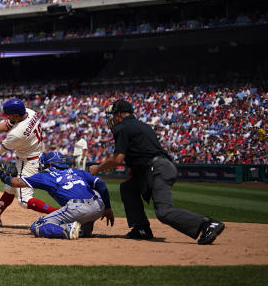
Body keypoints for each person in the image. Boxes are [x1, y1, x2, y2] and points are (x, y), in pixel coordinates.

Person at [89, 99, 226, 245]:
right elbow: (142, 151)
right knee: (128, 188)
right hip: (158, 168)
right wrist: (135, 171)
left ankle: (207, 224)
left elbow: (117, 159)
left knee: (163, 212)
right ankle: (141, 228)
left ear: (120, 115)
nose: (112, 119)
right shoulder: (142, 126)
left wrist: (97, 168)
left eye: (113, 115)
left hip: (156, 169)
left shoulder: (122, 127)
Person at [0, 98, 58, 226]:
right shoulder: (30, 112)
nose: (7, 117)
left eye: (9, 115)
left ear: (15, 114)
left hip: (29, 163)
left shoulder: (17, 133)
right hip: (33, 156)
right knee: (10, 189)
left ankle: (62, 214)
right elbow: (6, 124)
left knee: (24, 201)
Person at [0, 151, 114, 239]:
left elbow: (16, 183)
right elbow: (101, 184)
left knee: (37, 226)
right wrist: (108, 207)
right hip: (99, 208)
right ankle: (85, 228)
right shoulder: (77, 171)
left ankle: (66, 230)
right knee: (93, 191)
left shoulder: (46, 175)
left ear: (49, 164)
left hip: (78, 209)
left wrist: (4, 176)